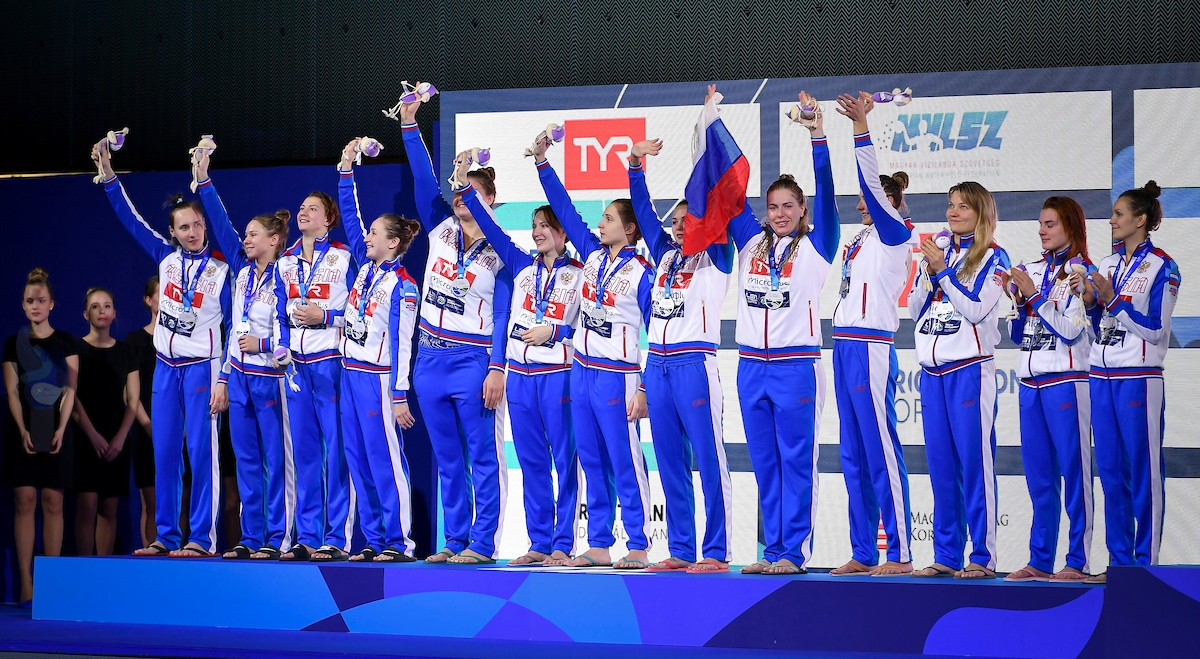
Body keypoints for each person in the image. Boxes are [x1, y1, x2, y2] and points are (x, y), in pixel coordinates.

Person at [93, 141, 231, 557]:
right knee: (165, 453)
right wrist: (109, 177)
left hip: (203, 368)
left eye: (197, 225)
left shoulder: (223, 269)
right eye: (184, 227)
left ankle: (201, 538)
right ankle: (167, 536)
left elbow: (235, 324)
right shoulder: (165, 259)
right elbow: (130, 220)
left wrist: (224, 378)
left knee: (202, 454)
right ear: (172, 232)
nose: (192, 232)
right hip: (166, 368)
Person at [528, 131, 653, 571]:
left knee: (625, 459)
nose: (600, 225)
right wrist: (542, 162)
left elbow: (658, 331)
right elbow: (563, 209)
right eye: (600, 219)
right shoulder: (593, 256)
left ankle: (639, 543)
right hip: (581, 371)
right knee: (592, 460)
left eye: (608, 218)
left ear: (630, 228)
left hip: (619, 375)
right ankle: (598, 542)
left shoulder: (642, 272)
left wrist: (645, 388)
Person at [399, 99, 512, 565]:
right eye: (461, 191)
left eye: (474, 192)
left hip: (472, 361)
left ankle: (483, 544)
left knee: (482, 457)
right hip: (429, 360)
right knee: (447, 458)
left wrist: (497, 367)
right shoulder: (440, 228)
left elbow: (503, 315)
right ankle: (455, 539)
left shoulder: (502, 252)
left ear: (491, 202)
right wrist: (410, 125)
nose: (463, 197)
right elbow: (424, 177)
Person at [731, 90, 839, 576]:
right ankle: (771, 549)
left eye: (788, 205)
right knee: (765, 465)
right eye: (773, 206)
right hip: (750, 366)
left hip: (796, 367)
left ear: (802, 209)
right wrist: (710, 124)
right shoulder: (750, 242)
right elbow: (726, 193)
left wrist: (818, 135)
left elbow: (828, 191)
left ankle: (794, 552)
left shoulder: (818, 246)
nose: (779, 213)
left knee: (796, 463)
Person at [626, 133, 735, 574]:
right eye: (674, 221)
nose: (677, 226)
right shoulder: (665, 256)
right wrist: (636, 164)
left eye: (686, 220)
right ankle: (682, 548)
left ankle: (717, 550)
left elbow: (719, 210)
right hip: (658, 365)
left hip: (695, 363)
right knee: (670, 462)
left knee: (708, 459)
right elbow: (642, 209)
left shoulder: (717, 256)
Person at [460, 178, 583, 566]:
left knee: (565, 462)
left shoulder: (582, 273)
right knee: (532, 463)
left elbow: (594, 329)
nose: (538, 232)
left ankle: (564, 544)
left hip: (559, 375)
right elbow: (491, 227)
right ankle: (539, 543)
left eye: (545, 225)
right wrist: (467, 190)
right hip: (521, 378)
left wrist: (556, 333)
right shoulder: (521, 267)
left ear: (563, 231)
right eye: (534, 226)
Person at [828, 93, 917, 577]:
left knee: (881, 449)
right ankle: (863, 551)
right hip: (844, 345)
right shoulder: (860, 237)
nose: (861, 202)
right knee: (852, 454)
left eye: (870, 197)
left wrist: (860, 128)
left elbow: (869, 178)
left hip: (871, 347)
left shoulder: (895, 234)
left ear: (890, 202)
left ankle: (900, 553)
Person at [194, 158, 296, 560]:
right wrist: (204, 180)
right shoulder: (242, 271)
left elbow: (293, 328)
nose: (246, 240)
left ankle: (278, 537)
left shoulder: (288, 273)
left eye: (254, 235)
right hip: (238, 377)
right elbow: (220, 224)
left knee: (276, 460)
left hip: (271, 378)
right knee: (247, 462)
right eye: (247, 234)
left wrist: (265, 344)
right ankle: (251, 537)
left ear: (274, 240)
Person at [907, 181, 1010, 580]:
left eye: (963, 207)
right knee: (941, 468)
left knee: (975, 464)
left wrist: (944, 274)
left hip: (970, 370)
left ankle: (982, 556)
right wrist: (930, 274)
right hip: (932, 374)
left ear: (981, 213)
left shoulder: (994, 257)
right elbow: (916, 309)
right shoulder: (940, 251)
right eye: (951, 205)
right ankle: (946, 554)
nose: (953, 212)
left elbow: (976, 309)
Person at [1084, 181, 1178, 584]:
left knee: (1144, 471)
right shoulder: (1107, 264)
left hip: (1139, 378)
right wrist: (1092, 304)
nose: (1112, 220)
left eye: (1119, 214)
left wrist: (1112, 299)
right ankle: (1120, 563)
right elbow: (1097, 328)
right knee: (1110, 472)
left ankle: (1145, 567)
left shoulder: (1162, 266)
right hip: (1101, 376)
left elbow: (1156, 329)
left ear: (1140, 220)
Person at [337, 138, 423, 561]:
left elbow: (405, 343)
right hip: (349, 373)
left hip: (378, 380)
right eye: (368, 232)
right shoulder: (366, 267)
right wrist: (346, 169)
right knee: (358, 459)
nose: (366, 237)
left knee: (385, 459)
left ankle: (399, 541)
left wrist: (399, 393)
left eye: (375, 233)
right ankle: (373, 539)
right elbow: (349, 218)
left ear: (393, 243)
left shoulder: (403, 286)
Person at [1002, 196, 1095, 582]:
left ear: (1070, 226)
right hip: (1030, 384)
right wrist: (1016, 299)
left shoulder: (1082, 272)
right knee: (1039, 478)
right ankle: (1040, 561)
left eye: (1050, 224)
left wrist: (1035, 296)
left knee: (1075, 475)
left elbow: (1071, 331)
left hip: (1066, 383)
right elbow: (1016, 335)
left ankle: (1077, 560)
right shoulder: (1032, 269)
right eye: (1040, 224)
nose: (1042, 230)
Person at [272, 182, 357, 563]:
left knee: (337, 451)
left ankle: (337, 537)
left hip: (331, 362)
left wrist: (326, 316)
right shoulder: (286, 261)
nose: (303, 212)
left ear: (329, 218)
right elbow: (279, 312)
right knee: (305, 454)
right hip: (296, 368)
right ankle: (307, 536)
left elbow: (359, 311)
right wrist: (281, 346)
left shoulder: (343, 257)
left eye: (312, 208)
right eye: (302, 207)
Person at [2, 268, 78, 605]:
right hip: (23, 429)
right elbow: (12, 391)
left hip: (56, 429)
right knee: (24, 501)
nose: (35, 306)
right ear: (23, 305)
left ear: (51, 304)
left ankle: (51, 584)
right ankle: (26, 583)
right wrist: (22, 430)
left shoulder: (65, 341)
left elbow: (70, 390)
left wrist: (60, 429)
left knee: (53, 502)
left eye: (41, 300)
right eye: (29, 301)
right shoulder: (13, 343)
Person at [71, 288, 139, 556]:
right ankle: (85, 567)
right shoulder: (76, 348)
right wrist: (92, 435)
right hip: (85, 435)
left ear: (114, 313)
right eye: (95, 306)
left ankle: (103, 566)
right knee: (87, 504)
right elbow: (72, 396)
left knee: (110, 507)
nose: (102, 311)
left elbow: (133, 399)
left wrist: (121, 437)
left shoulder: (125, 351)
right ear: (85, 314)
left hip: (116, 436)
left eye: (107, 306)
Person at [126, 277, 159, 548]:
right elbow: (130, 394)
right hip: (145, 429)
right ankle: (151, 553)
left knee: (181, 499)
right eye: (161, 294)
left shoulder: (184, 342)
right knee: (151, 500)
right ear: (148, 300)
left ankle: (180, 553)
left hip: (179, 431)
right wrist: (149, 427)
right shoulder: (135, 340)